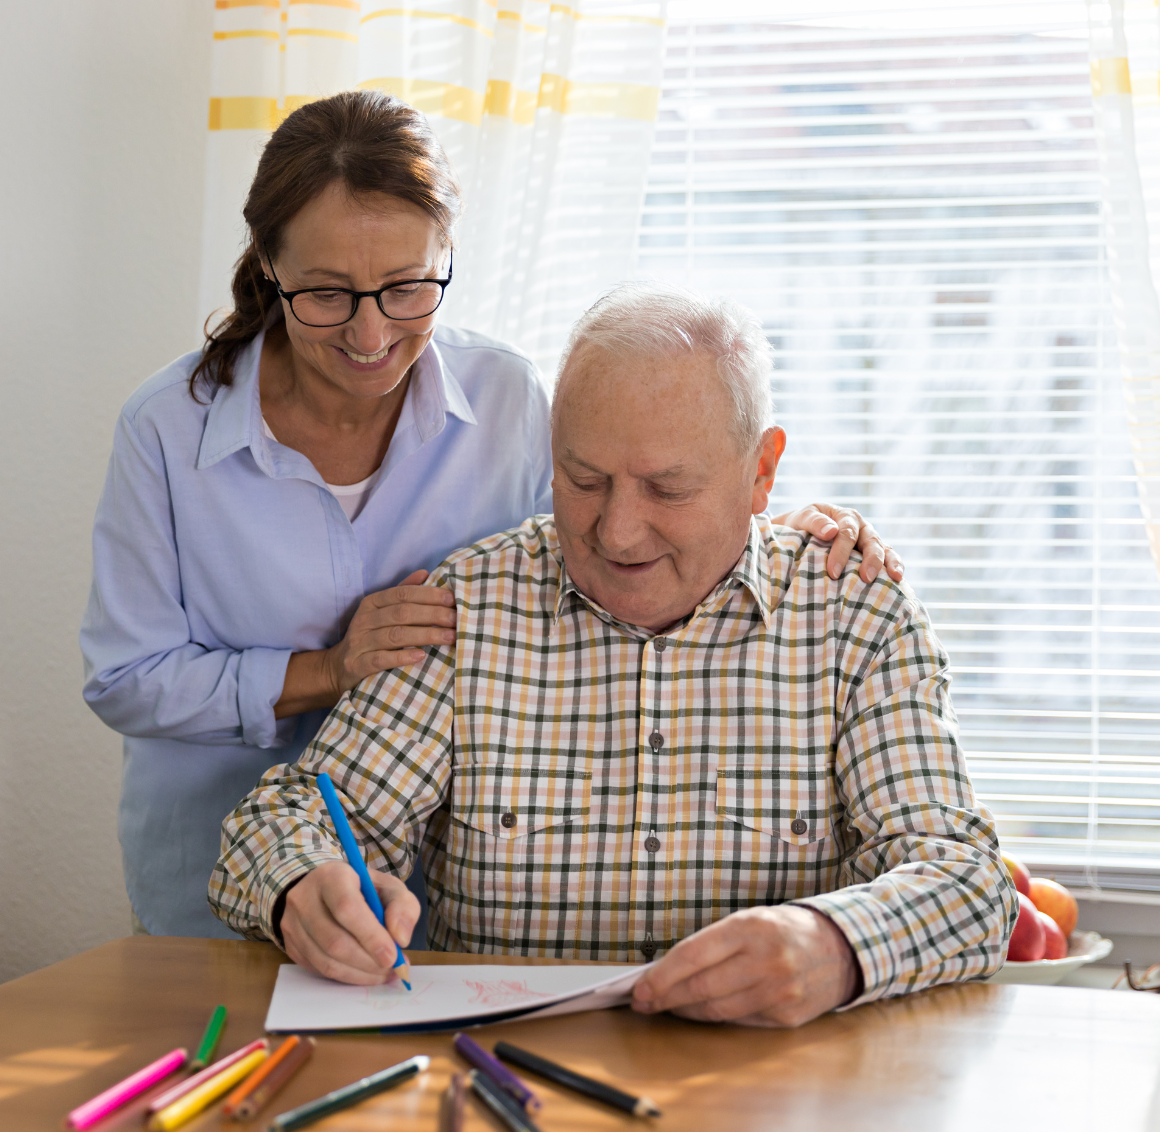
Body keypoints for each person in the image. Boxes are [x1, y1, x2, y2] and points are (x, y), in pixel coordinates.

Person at [81, 91, 896, 940]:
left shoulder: (505, 397)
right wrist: (332, 667)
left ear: (447, 257)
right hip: (222, 883)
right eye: (326, 293)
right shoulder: (168, 428)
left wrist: (755, 519)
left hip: (427, 901)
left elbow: (599, 552)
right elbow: (125, 677)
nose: (369, 335)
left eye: (405, 288)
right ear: (268, 268)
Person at [210, 282, 1016, 1027]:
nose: (617, 532)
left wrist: (835, 947)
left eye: (667, 489)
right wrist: (301, 891)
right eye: (584, 479)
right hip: (507, 1083)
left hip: (769, 1093)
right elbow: (281, 824)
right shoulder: (472, 608)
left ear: (761, 470)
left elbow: (968, 882)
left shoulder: (856, 617)